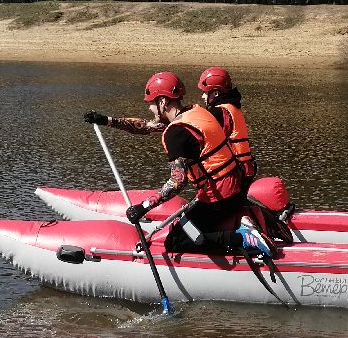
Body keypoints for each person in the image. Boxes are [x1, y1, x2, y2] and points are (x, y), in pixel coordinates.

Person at [97, 71, 272, 257]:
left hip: (221, 198)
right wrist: (107, 121)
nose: (150, 109)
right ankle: (240, 224)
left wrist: (144, 207)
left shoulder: (176, 134)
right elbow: (146, 127)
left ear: (162, 102)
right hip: (236, 188)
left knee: (175, 241)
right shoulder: (195, 112)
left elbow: (178, 182)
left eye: (151, 104)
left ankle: (243, 239)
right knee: (187, 221)